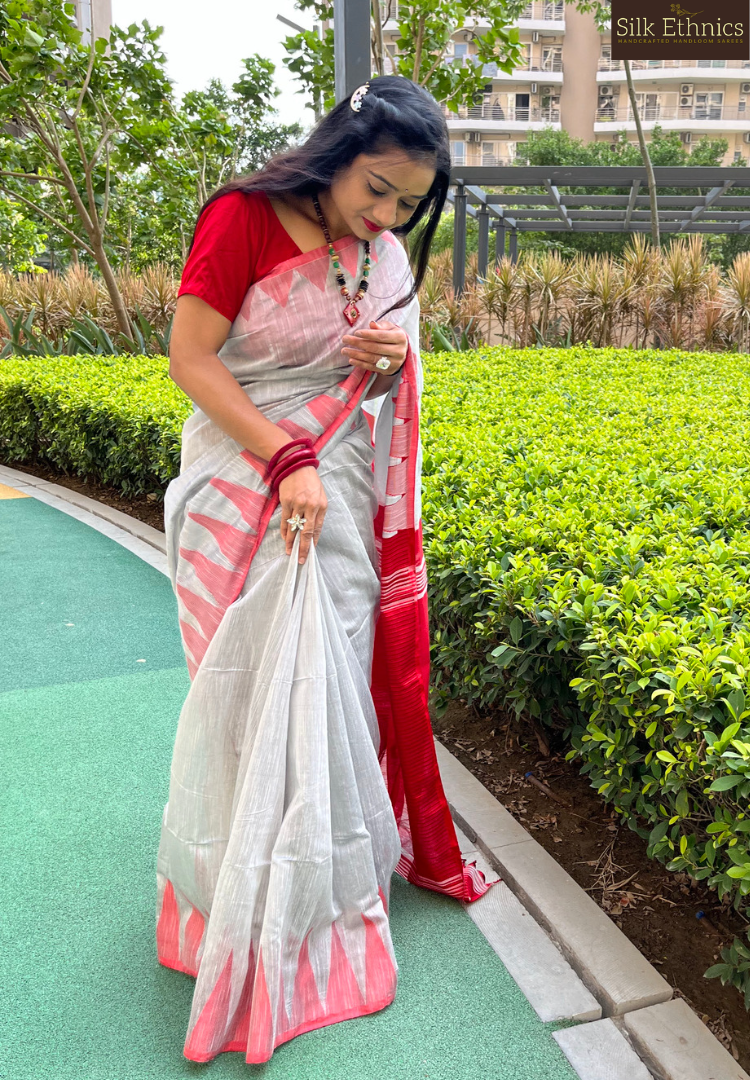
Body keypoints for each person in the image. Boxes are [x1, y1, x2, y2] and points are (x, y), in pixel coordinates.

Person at [155, 74, 495, 1066]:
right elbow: (191, 358)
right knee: (244, 697)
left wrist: (388, 357)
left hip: (338, 497)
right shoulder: (243, 218)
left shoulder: (380, 251)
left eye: (405, 203)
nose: (386, 215)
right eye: (376, 189)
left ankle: (319, 902)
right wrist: (285, 454)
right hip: (246, 482)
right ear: (338, 149)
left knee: (334, 686)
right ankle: (237, 901)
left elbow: (374, 373)